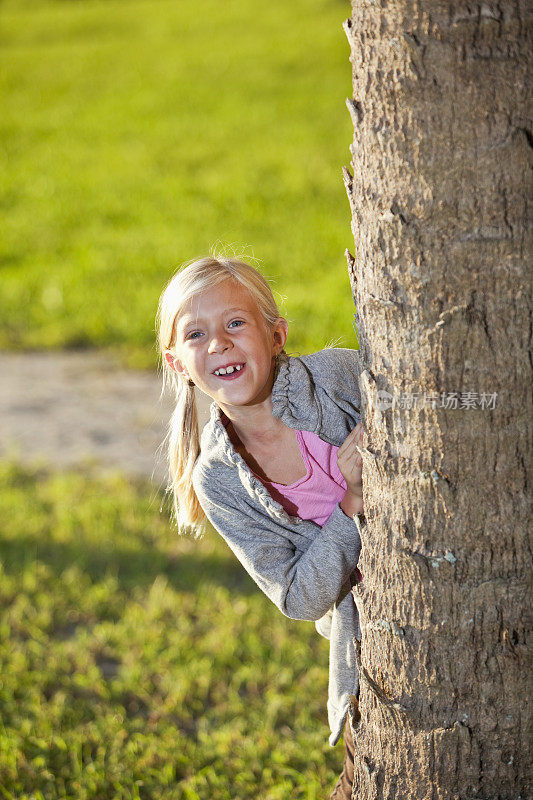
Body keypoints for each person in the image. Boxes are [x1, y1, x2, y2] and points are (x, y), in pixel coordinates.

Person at [156, 254, 367, 799]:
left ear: (276, 335)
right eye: (196, 334)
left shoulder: (337, 378)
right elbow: (298, 596)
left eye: (235, 324)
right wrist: (350, 505)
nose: (219, 344)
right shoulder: (219, 479)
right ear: (178, 362)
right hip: (374, 632)